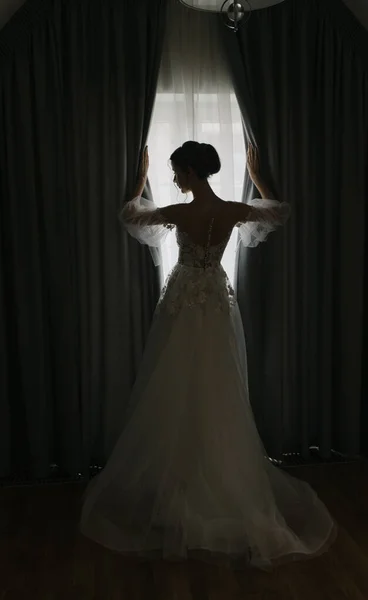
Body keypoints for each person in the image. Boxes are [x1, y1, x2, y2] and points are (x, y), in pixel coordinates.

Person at [80, 141, 337, 571]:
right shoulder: (234, 211)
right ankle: (208, 481)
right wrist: (258, 180)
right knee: (216, 388)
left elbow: (129, 216)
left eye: (177, 171)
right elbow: (278, 212)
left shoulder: (181, 214)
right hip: (215, 303)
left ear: (192, 171)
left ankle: (186, 483)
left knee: (178, 385)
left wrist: (139, 179)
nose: (175, 178)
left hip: (183, 302)